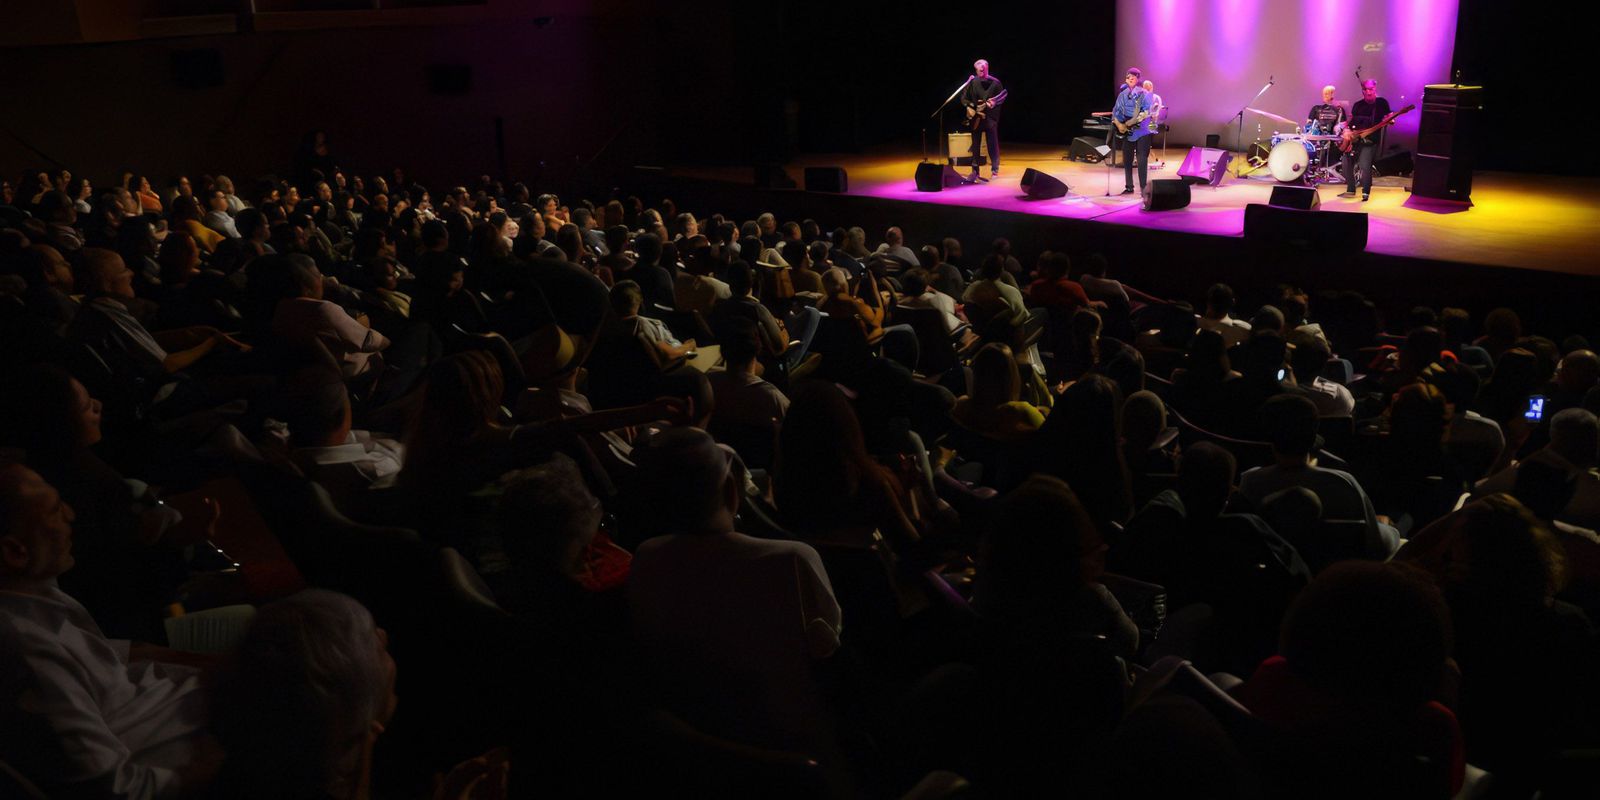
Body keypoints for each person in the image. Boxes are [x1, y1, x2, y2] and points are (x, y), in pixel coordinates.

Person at [0, 459, 220, 799]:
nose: (71, 515)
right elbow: (114, 788)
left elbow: (109, 656)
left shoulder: (35, 597)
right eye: (56, 510)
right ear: (15, 551)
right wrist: (215, 765)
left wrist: (210, 665)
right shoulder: (25, 652)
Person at [627, 427, 842, 754]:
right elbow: (826, 651)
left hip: (701, 742)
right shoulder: (793, 559)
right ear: (731, 490)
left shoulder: (645, 557)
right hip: (793, 740)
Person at [1337, 79, 1392, 201]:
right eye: (1365, 90)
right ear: (1362, 91)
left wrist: (1391, 119)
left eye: (1370, 89)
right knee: (1346, 163)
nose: (1368, 92)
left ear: (1375, 89)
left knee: (1364, 164)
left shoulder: (1381, 103)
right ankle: (1351, 189)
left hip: (1370, 141)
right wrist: (1347, 132)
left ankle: (1366, 192)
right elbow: (1351, 122)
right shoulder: (1358, 105)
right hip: (1356, 138)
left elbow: (1389, 117)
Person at [960, 59, 1007, 181]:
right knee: (975, 145)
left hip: (990, 119)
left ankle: (995, 170)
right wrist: (970, 107)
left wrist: (991, 109)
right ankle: (975, 171)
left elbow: (1001, 99)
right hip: (976, 119)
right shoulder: (972, 82)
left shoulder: (995, 83)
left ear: (987, 68)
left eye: (984, 69)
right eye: (979, 70)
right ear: (976, 70)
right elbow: (964, 99)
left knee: (992, 145)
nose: (982, 71)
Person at [1112, 67, 1155, 195]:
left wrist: (1132, 122)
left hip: (1142, 130)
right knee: (1127, 158)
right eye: (1128, 76)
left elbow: (1146, 111)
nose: (1130, 78)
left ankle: (1143, 188)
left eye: (1133, 76)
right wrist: (1119, 124)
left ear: (1138, 79)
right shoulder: (1122, 94)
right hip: (1128, 130)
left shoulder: (1143, 93)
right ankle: (1129, 186)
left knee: (1142, 158)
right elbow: (1116, 111)